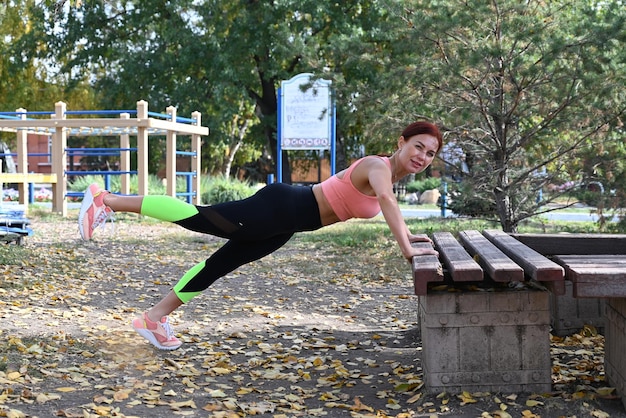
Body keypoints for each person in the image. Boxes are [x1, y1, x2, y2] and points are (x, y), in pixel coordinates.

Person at [78, 121, 443, 350]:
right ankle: (106, 199)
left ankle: (153, 319)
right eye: (418, 147)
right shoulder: (378, 167)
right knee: (198, 216)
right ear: (401, 142)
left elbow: (389, 203)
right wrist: (407, 247)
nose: (423, 156)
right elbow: (386, 201)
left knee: (218, 265)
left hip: (285, 225)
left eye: (430, 154)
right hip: (281, 207)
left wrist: (412, 238)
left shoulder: (389, 177)